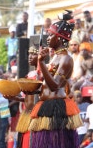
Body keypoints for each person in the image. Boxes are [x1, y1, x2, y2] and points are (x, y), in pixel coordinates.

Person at [28, 11, 83, 148]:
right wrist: (31, 90)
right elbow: (46, 85)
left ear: (59, 38)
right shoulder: (54, 57)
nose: (48, 38)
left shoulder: (66, 59)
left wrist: (41, 62)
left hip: (56, 108)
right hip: (46, 106)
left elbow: (55, 86)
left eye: (51, 35)